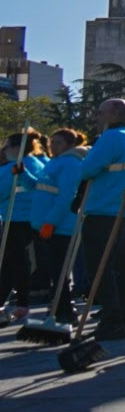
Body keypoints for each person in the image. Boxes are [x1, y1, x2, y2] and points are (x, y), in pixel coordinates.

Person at [74, 99, 125, 340]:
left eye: (100, 112)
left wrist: (87, 157)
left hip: (105, 211)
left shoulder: (110, 138)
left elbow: (87, 170)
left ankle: (112, 318)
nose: (96, 117)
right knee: (121, 267)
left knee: (100, 268)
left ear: (114, 115)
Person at [32, 129, 88, 325]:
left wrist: (51, 222)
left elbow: (66, 196)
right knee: (55, 270)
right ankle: (60, 308)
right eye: (52, 142)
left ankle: (65, 309)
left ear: (69, 145)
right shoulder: (54, 162)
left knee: (60, 269)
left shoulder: (71, 164)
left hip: (60, 225)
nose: (52, 145)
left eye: (58, 143)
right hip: (49, 223)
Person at [2, 131, 46, 324]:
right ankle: (16, 301)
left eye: (7, 145)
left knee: (13, 262)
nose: (4, 149)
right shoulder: (39, 163)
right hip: (32, 218)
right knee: (15, 262)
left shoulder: (13, 167)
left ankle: (21, 303)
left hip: (13, 218)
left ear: (16, 148)